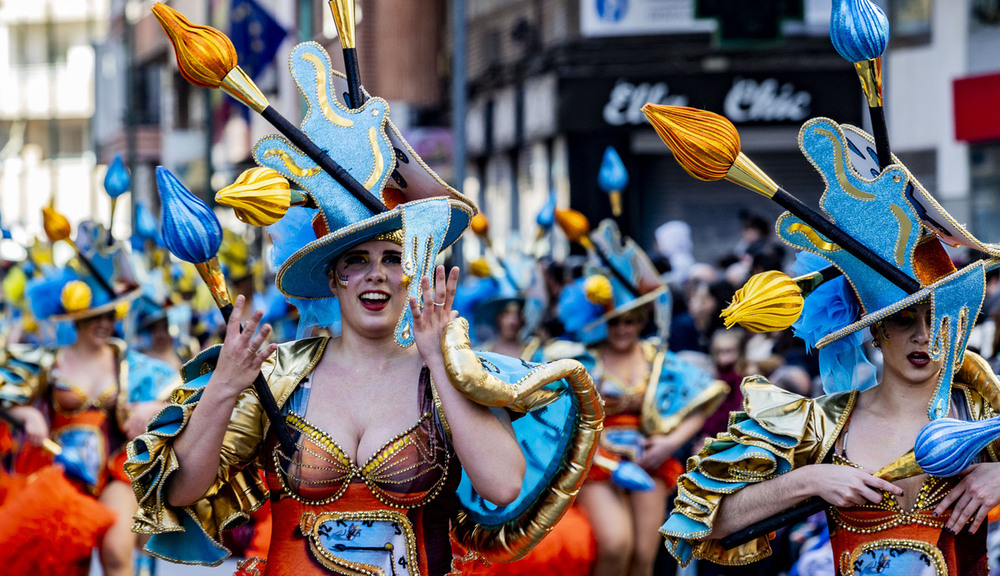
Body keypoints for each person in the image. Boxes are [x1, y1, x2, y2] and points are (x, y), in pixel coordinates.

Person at [125, 27, 601, 575]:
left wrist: (439, 361)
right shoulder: (279, 376)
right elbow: (183, 489)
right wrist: (227, 385)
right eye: (356, 260)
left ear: (413, 272)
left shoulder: (443, 371)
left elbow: (502, 485)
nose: (376, 274)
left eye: (392, 258)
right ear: (333, 279)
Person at [659, 116, 1000, 574]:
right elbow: (707, 520)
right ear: (875, 329)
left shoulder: (983, 411)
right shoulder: (824, 424)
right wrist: (812, 479)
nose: (923, 335)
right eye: (903, 320)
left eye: (935, 317)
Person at [541, 219, 728, 576]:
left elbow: (705, 397)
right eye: (615, 322)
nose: (624, 330)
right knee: (615, 545)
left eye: (631, 321)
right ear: (601, 322)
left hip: (648, 462)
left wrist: (667, 443)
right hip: (595, 460)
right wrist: (595, 449)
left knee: (644, 557)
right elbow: (553, 414)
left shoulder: (655, 358)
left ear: (642, 319)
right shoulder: (583, 360)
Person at [2, 230, 174, 576]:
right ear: (79, 318)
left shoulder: (128, 363)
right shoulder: (49, 361)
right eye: (97, 315)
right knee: (66, 557)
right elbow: (6, 393)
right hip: (61, 472)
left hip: (113, 471)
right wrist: (26, 415)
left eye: (111, 315)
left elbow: (177, 400)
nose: (106, 324)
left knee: (115, 550)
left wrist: (149, 410)